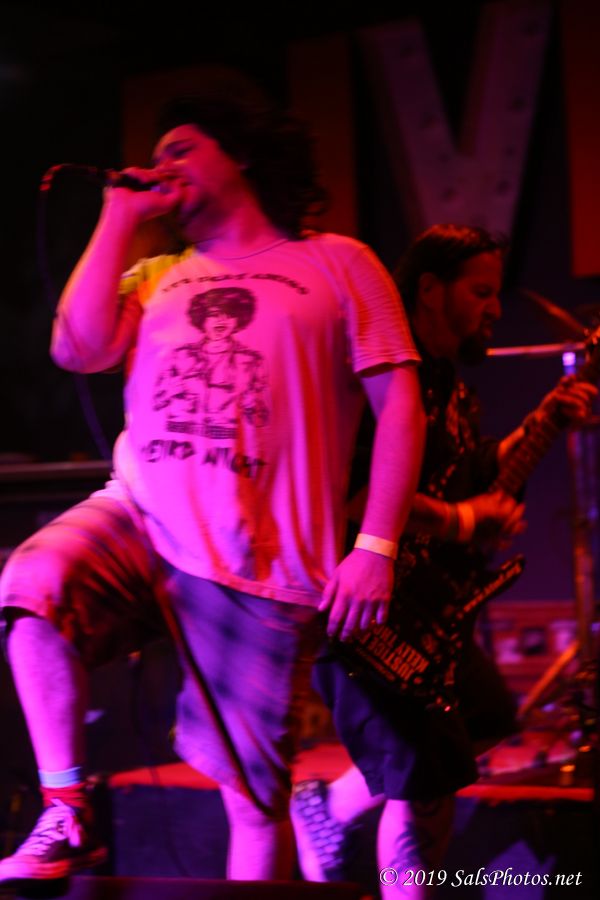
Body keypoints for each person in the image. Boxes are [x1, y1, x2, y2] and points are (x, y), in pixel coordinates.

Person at [0, 70, 425, 884]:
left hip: (261, 563)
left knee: (252, 803)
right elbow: (75, 348)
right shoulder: (157, 274)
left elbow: (400, 404)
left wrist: (376, 545)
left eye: (181, 149)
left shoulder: (337, 263)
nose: (162, 166)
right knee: (32, 583)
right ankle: (65, 810)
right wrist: (118, 217)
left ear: (241, 154)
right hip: (141, 515)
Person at [291, 224, 596, 895]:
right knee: (425, 777)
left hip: (423, 606)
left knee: (483, 717)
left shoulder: (449, 387)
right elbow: (357, 492)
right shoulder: (382, 378)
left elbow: (471, 473)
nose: (495, 309)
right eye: (481, 292)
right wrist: (461, 521)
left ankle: (329, 808)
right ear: (430, 289)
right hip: (367, 609)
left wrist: (545, 419)